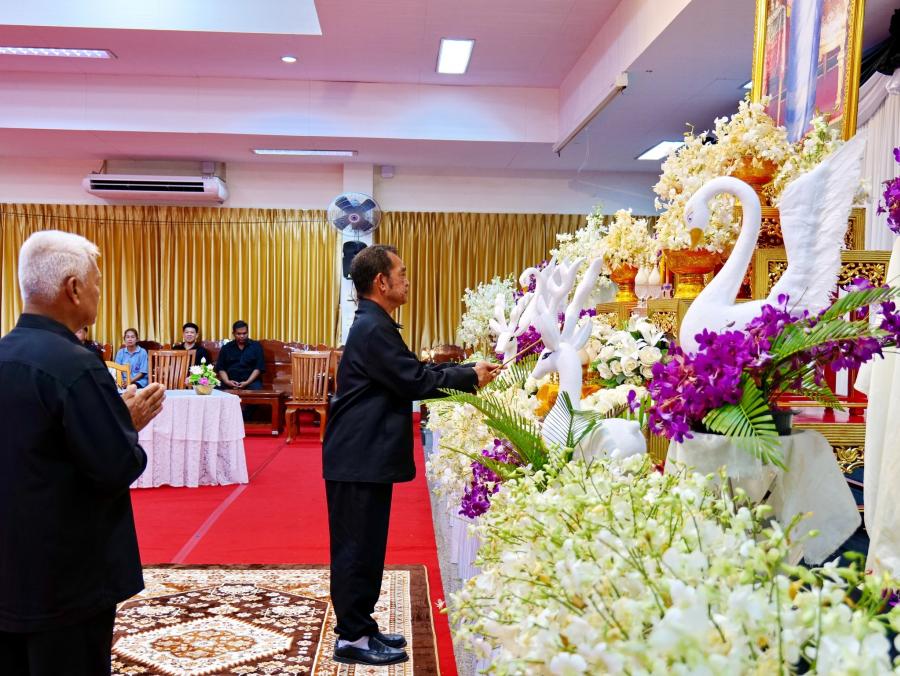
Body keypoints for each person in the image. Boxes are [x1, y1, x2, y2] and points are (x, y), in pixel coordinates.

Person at [323, 244, 499, 666]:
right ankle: (351, 638)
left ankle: (362, 626)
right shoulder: (373, 327)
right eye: (401, 273)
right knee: (355, 549)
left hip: (362, 454)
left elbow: (414, 372)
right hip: (357, 455)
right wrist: (469, 377)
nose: (406, 280)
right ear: (380, 282)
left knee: (367, 547)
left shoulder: (376, 323)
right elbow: (414, 380)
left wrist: (467, 372)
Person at [0, 230, 165, 675]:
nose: (98, 293)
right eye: (96, 284)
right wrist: (126, 425)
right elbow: (115, 465)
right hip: (65, 575)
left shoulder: (5, 353)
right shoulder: (74, 364)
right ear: (73, 288)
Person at [215, 320, 265, 390]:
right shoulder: (226, 348)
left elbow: (258, 368)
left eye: (244, 333)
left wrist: (247, 382)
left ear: (248, 332)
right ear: (233, 334)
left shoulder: (256, 346)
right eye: (238, 334)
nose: (242, 336)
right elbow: (221, 368)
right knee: (215, 390)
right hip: (229, 381)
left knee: (257, 389)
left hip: (251, 382)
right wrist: (227, 381)